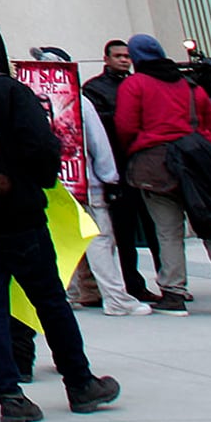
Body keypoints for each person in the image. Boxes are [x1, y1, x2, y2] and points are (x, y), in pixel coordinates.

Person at [0, 17, 122, 422]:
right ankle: (79, 381)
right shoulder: (7, 90)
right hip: (18, 211)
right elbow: (41, 150)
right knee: (49, 297)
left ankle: (9, 393)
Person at [114, 34, 211, 315]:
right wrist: (200, 147)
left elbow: (125, 125)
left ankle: (173, 292)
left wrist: (138, 149)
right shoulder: (190, 86)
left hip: (155, 164)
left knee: (167, 231)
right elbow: (210, 126)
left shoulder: (134, 84)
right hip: (196, 162)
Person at [81, 39, 157, 304]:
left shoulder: (138, 84)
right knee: (118, 234)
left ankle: (165, 283)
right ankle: (128, 284)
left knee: (153, 227)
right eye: (118, 56)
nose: (124, 60)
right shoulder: (94, 90)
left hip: (141, 164)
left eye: (127, 56)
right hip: (117, 168)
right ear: (106, 58)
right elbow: (100, 133)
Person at [73, 88, 147, 321]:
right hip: (87, 183)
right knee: (99, 240)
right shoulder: (80, 101)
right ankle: (115, 298)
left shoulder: (35, 99)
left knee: (61, 241)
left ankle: (68, 292)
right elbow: (98, 143)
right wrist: (109, 176)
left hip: (54, 187)